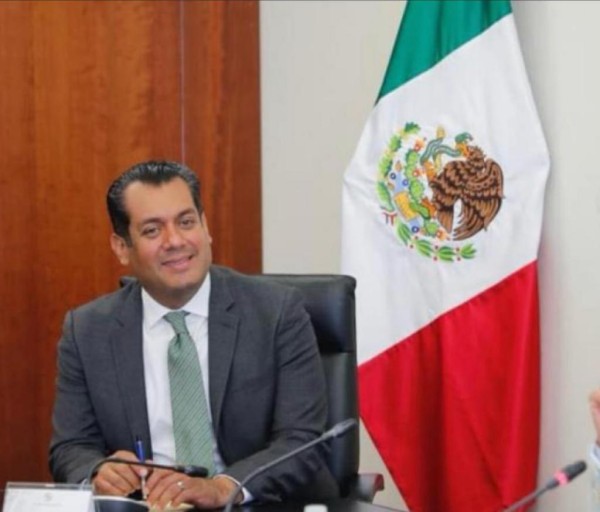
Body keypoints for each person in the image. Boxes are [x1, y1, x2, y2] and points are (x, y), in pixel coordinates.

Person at [49, 160, 338, 509]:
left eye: (186, 222)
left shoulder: (276, 312)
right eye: (152, 230)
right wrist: (98, 472)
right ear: (121, 247)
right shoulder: (87, 331)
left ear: (205, 227)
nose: (175, 241)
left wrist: (223, 486)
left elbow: (301, 440)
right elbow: (71, 448)